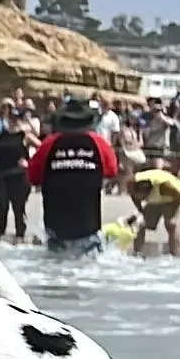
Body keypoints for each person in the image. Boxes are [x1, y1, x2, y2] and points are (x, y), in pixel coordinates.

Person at [29, 97, 122, 253]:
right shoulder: (99, 143)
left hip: (56, 227)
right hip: (88, 226)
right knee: (88, 273)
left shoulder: (49, 144)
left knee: (54, 272)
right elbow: (112, 170)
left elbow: (33, 177)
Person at [0, 107, 33, 241]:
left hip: (18, 176)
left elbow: (42, 147)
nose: (14, 122)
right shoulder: (1, 134)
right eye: (11, 119)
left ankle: (20, 236)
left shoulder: (25, 135)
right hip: (1, 175)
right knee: (1, 207)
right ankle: (0, 236)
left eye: (16, 119)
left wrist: (28, 163)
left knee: (18, 208)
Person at [126, 164, 180, 256]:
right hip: (155, 198)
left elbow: (179, 196)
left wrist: (171, 216)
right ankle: (137, 253)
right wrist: (140, 209)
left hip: (173, 197)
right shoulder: (132, 183)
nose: (142, 199)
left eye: (143, 197)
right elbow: (133, 195)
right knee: (141, 224)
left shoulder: (166, 187)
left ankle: (175, 254)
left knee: (170, 225)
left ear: (149, 191)